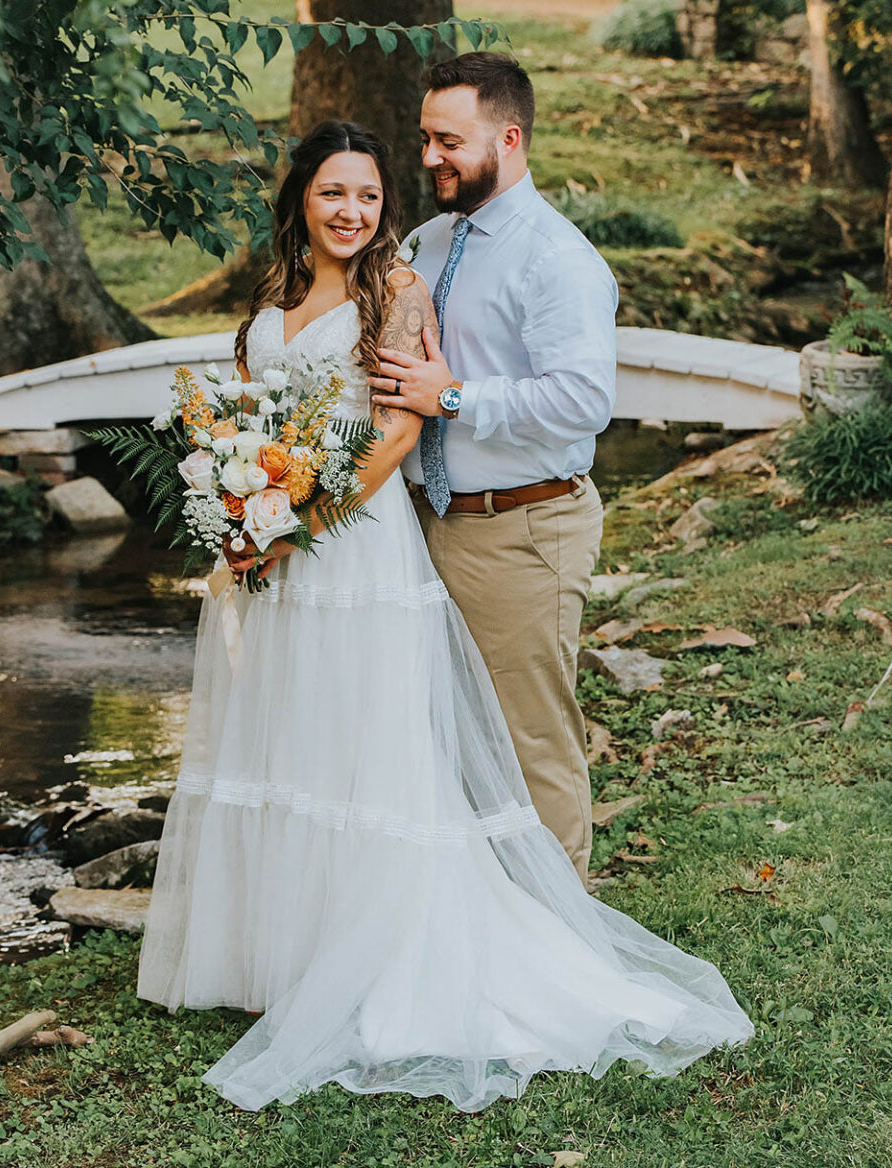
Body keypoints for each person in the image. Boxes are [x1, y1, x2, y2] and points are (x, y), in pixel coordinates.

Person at [137, 118, 753, 1113]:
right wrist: (240, 511)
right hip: (276, 550)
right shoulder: (268, 305)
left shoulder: (397, 291)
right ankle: (287, 958)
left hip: (357, 547)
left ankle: (384, 956)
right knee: (292, 738)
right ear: (300, 196)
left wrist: (308, 517)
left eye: (370, 197)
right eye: (335, 193)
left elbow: (399, 423)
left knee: (369, 744)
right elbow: (246, 424)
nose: (352, 212)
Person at [373, 52, 614, 887]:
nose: (430, 156)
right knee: (440, 726)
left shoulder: (558, 261)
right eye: (425, 138)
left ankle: (562, 932)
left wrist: (453, 398)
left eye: (449, 140)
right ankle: (478, 912)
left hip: (521, 528)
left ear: (507, 138)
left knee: (528, 735)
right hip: (423, 525)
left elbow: (583, 403)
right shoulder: (425, 243)